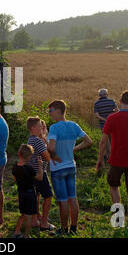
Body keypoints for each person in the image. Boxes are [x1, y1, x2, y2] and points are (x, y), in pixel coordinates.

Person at [96, 90, 128, 230]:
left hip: (116, 161)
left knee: (113, 187)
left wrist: (100, 159)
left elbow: (103, 142)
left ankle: (118, 219)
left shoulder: (112, 118)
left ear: (120, 101)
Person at [47, 99, 93, 236]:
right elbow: (88, 141)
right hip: (71, 167)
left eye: (51, 111)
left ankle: (63, 228)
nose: (49, 114)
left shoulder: (54, 128)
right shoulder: (74, 126)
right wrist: (74, 149)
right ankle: (73, 228)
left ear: (58, 111)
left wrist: (54, 155)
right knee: (73, 198)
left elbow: (51, 147)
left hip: (58, 168)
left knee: (62, 200)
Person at [24, 116, 54, 231]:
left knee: (36, 195)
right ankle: (44, 222)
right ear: (32, 128)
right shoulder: (37, 141)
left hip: (32, 172)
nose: (41, 128)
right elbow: (47, 157)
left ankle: (35, 219)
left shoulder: (31, 139)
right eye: (39, 126)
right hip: (39, 172)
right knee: (48, 196)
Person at [12, 144, 44, 238]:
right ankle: (26, 235)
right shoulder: (29, 169)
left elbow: (15, 179)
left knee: (23, 214)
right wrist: (40, 166)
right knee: (29, 216)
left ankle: (17, 232)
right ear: (29, 156)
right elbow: (40, 178)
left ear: (19, 154)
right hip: (30, 194)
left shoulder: (15, 167)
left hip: (21, 193)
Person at [93, 88, 118, 161]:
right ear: (106, 94)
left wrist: (105, 120)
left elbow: (97, 116)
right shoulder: (111, 101)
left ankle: (109, 157)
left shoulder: (96, 103)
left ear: (99, 95)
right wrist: (111, 118)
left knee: (106, 141)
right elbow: (117, 111)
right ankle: (115, 155)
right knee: (113, 139)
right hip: (113, 124)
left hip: (103, 125)